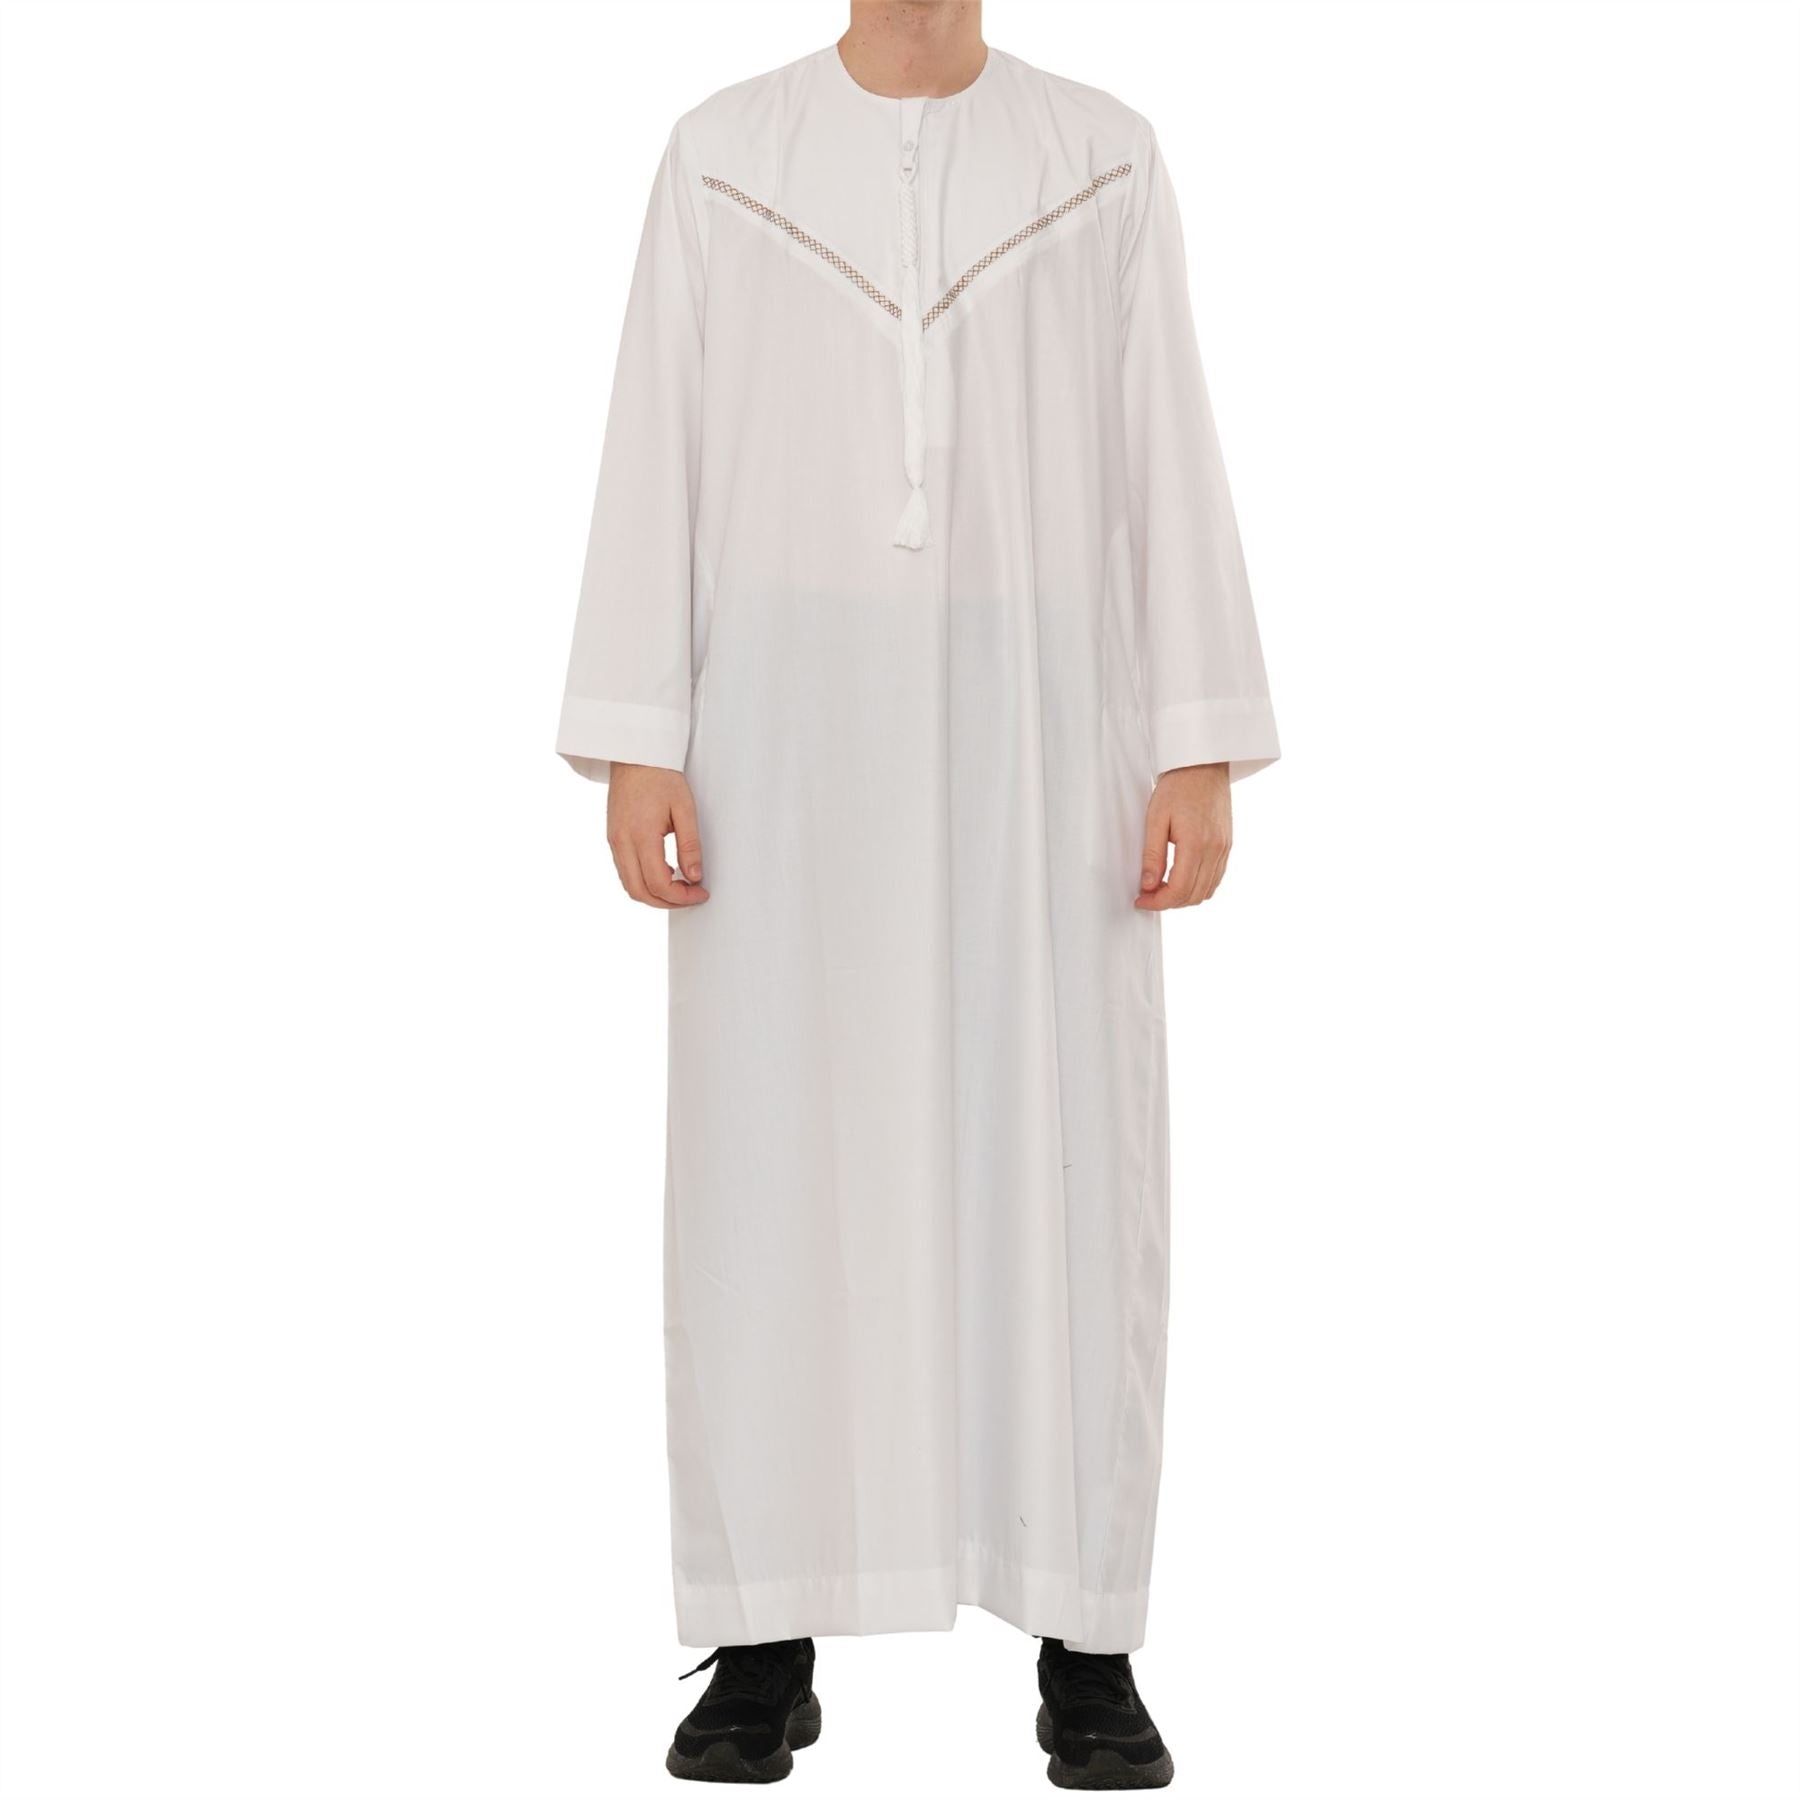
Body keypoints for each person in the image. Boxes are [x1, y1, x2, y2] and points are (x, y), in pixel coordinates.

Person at [556, 1, 1278, 1786]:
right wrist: (642, 730)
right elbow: (661, 433)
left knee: (1066, 1147)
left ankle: (1086, 1632)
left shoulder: (1100, 156)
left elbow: (1161, 440)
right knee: (774, 1156)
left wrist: (1193, 738)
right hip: (783, 722)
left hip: (1041, 711)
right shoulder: (724, 156)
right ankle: (762, 1627)